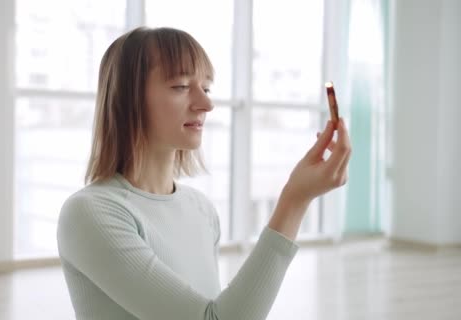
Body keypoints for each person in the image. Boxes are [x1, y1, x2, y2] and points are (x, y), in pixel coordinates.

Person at [57, 26, 351, 320]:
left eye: (206, 88)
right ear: (128, 98)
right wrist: (295, 200)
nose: (206, 104)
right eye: (181, 86)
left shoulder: (201, 209)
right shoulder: (89, 213)